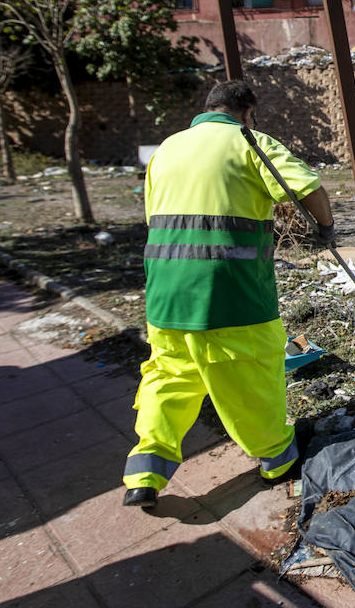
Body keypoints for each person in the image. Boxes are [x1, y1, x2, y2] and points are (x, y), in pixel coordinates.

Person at [122, 80, 334, 508]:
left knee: (169, 375)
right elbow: (308, 188)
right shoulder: (248, 142)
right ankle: (277, 459)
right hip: (231, 293)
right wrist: (326, 229)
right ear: (246, 112)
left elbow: (153, 215)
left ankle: (145, 472)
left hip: (165, 293)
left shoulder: (167, 149)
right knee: (249, 374)